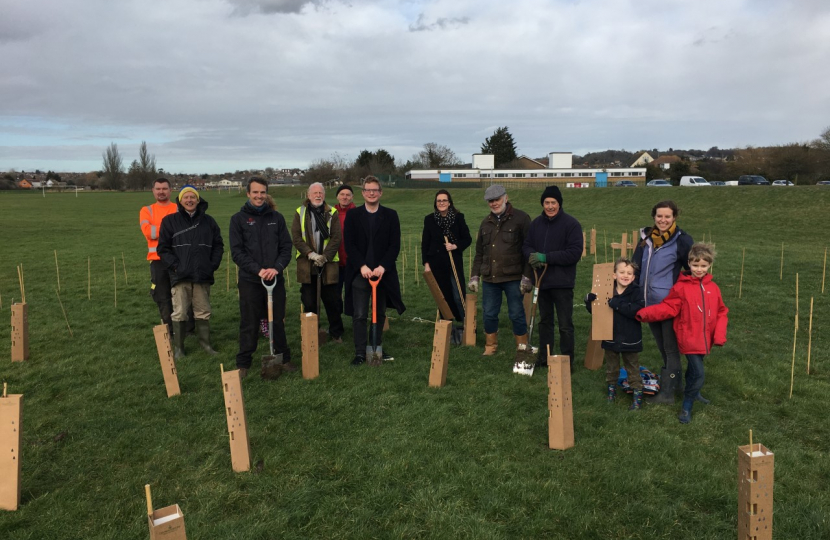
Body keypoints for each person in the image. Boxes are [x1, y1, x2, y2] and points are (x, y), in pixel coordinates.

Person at [637, 243, 729, 423]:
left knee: (695, 371)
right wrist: (645, 313)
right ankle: (687, 404)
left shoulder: (713, 288)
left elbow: (721, 311)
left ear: (709, 265)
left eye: (703, 266)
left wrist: (718, 335)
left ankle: (695, 393)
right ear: (689, 263)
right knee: (699, 374)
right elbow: (669, 307)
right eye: (695, 265)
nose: (699, 269)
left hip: (705, 339)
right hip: (689, 337)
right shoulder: (681, 287)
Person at [230, 177, 294, 378]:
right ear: (248, 193)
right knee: (249, 322)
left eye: (262, 192)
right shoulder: (238, 219)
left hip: (275, 280)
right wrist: (258, 270)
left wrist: (276, 268)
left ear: (267, 193)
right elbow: (237, 252)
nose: (259, 196)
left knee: (277, 321)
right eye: (255, 192)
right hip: (251, 281)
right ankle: (244, 363)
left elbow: (286, 247)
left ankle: (283, 359)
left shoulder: (277, 218)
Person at [631, 200, 694, 404]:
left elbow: (691, 269)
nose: (663, 220)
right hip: (649, 303)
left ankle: (668, 393)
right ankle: (676, 386)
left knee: (670, 347)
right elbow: (636, 267)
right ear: (654, 217)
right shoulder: (646, 239)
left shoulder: (682, 240)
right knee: (661, 346)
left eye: (667, 216)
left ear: (674, 217)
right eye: (659, 216)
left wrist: (680, 295)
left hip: (668, 304)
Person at [156, 185, 224, 358]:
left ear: (198, 199)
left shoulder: (209, 222)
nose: (189, 200)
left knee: (203, 310)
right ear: (180, 200)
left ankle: (206, 345)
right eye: (185, 197)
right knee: (179, 311)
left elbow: (218, 245)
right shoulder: (169, 221)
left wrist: (212, 265)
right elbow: (163, 249)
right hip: (180, 275)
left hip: (203, 275)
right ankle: (179, 349)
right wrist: (176, 266)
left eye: (192, 197)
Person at [343, 176, 405, 365]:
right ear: (363, 193)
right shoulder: (353, 216)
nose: (371, 193)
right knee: (360, 314)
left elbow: (394, 245)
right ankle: (360, 352)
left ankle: (376, 347)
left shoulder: (391, 215)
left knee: (379, 313)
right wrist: (362, 266)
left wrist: (382, 266)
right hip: (360, 274)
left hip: (382, 274)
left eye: (375, 190)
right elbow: (350, 244)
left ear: (380, 193)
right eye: (368, 190)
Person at [522, 185, 583, 369]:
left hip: (563, 282)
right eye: (547, 202)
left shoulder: (571, 224)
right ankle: (544, 357)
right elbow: (527, 245)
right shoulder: (536, 224)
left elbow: (574, 253)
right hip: (542, 282)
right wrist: (532, 256)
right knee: (544, 322)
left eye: (553, 203)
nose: (550, 206)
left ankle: (566, 361)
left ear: (559, 204)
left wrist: (547, 257)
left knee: (565, 324)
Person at [467, 185, 533, 356]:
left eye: (496, 199)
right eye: (490, 201)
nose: (494, 203)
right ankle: (490, 346)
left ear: (506, 197)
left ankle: (522, 346)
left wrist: (527, 277)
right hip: (490, 278)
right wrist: (475, 275)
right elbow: (480, 252)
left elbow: (529, 250)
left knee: (516, 313)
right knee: (489, 313)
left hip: (513, 277)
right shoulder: (485, 223)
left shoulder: (521, 218)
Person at [585, 258, 646, 409]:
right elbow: (596, 312)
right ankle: (611, 392)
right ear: (614, 275)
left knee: (632, 367)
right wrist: (589, 301)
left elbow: (636, 311)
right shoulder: (606, 289)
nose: (625, 275)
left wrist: (617, 304)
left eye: (629, 273)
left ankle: (637, 397)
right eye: (622, 272)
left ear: (633, 277)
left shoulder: (636, 291)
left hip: (630, 338)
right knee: (612, 367)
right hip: (610, 335)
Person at [291, 182, 345, 343]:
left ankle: (336, 333)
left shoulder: (332, 212)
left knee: (333, 301)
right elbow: (296, 238)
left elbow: (336, 237)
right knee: (309, 300)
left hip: (328, 265)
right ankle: (311, 332)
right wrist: (311, 254)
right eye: (314, 193)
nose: (318, 195)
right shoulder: (300, 213)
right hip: (307, 265)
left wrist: (325, 257)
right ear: (308, 195)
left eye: (320, 192)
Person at [421, 190, 472, 344]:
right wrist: (426, 263)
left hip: (453, 262)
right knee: (442, 295)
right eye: (439, 201)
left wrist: (455, 245)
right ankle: (446, 325)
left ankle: (465, 324)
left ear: (449, 202)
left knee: (457, 293)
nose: (441, 203)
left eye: (444, 200)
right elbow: (425, 243)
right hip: (436, 264)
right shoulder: (429, 219)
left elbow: (467, 238)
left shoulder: (458, 218)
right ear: (435, 203)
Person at [139, 178, 179, 335]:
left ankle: (187, 329)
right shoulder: (146, 210)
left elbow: (182, 232)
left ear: (170, 190)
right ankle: (169, 329)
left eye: (164, 188)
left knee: (182, 294)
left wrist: (160, 229)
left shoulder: (178, 208)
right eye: (158, 188)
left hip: (177, 259)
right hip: (157, 261)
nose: (161, 191)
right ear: (153, 191)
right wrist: (171, 229)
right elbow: (149, 232)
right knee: (163, 296)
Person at [334, 184, 356, 298]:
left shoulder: (358, 213)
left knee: (353, 292)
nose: (345, 197)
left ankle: (355, 316)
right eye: (342, 194)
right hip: (335, 262)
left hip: (352, 262)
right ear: (337, 196)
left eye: (348, 195)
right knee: (335, 294)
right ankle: (336, 315)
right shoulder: (331, 213)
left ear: (352, 197)